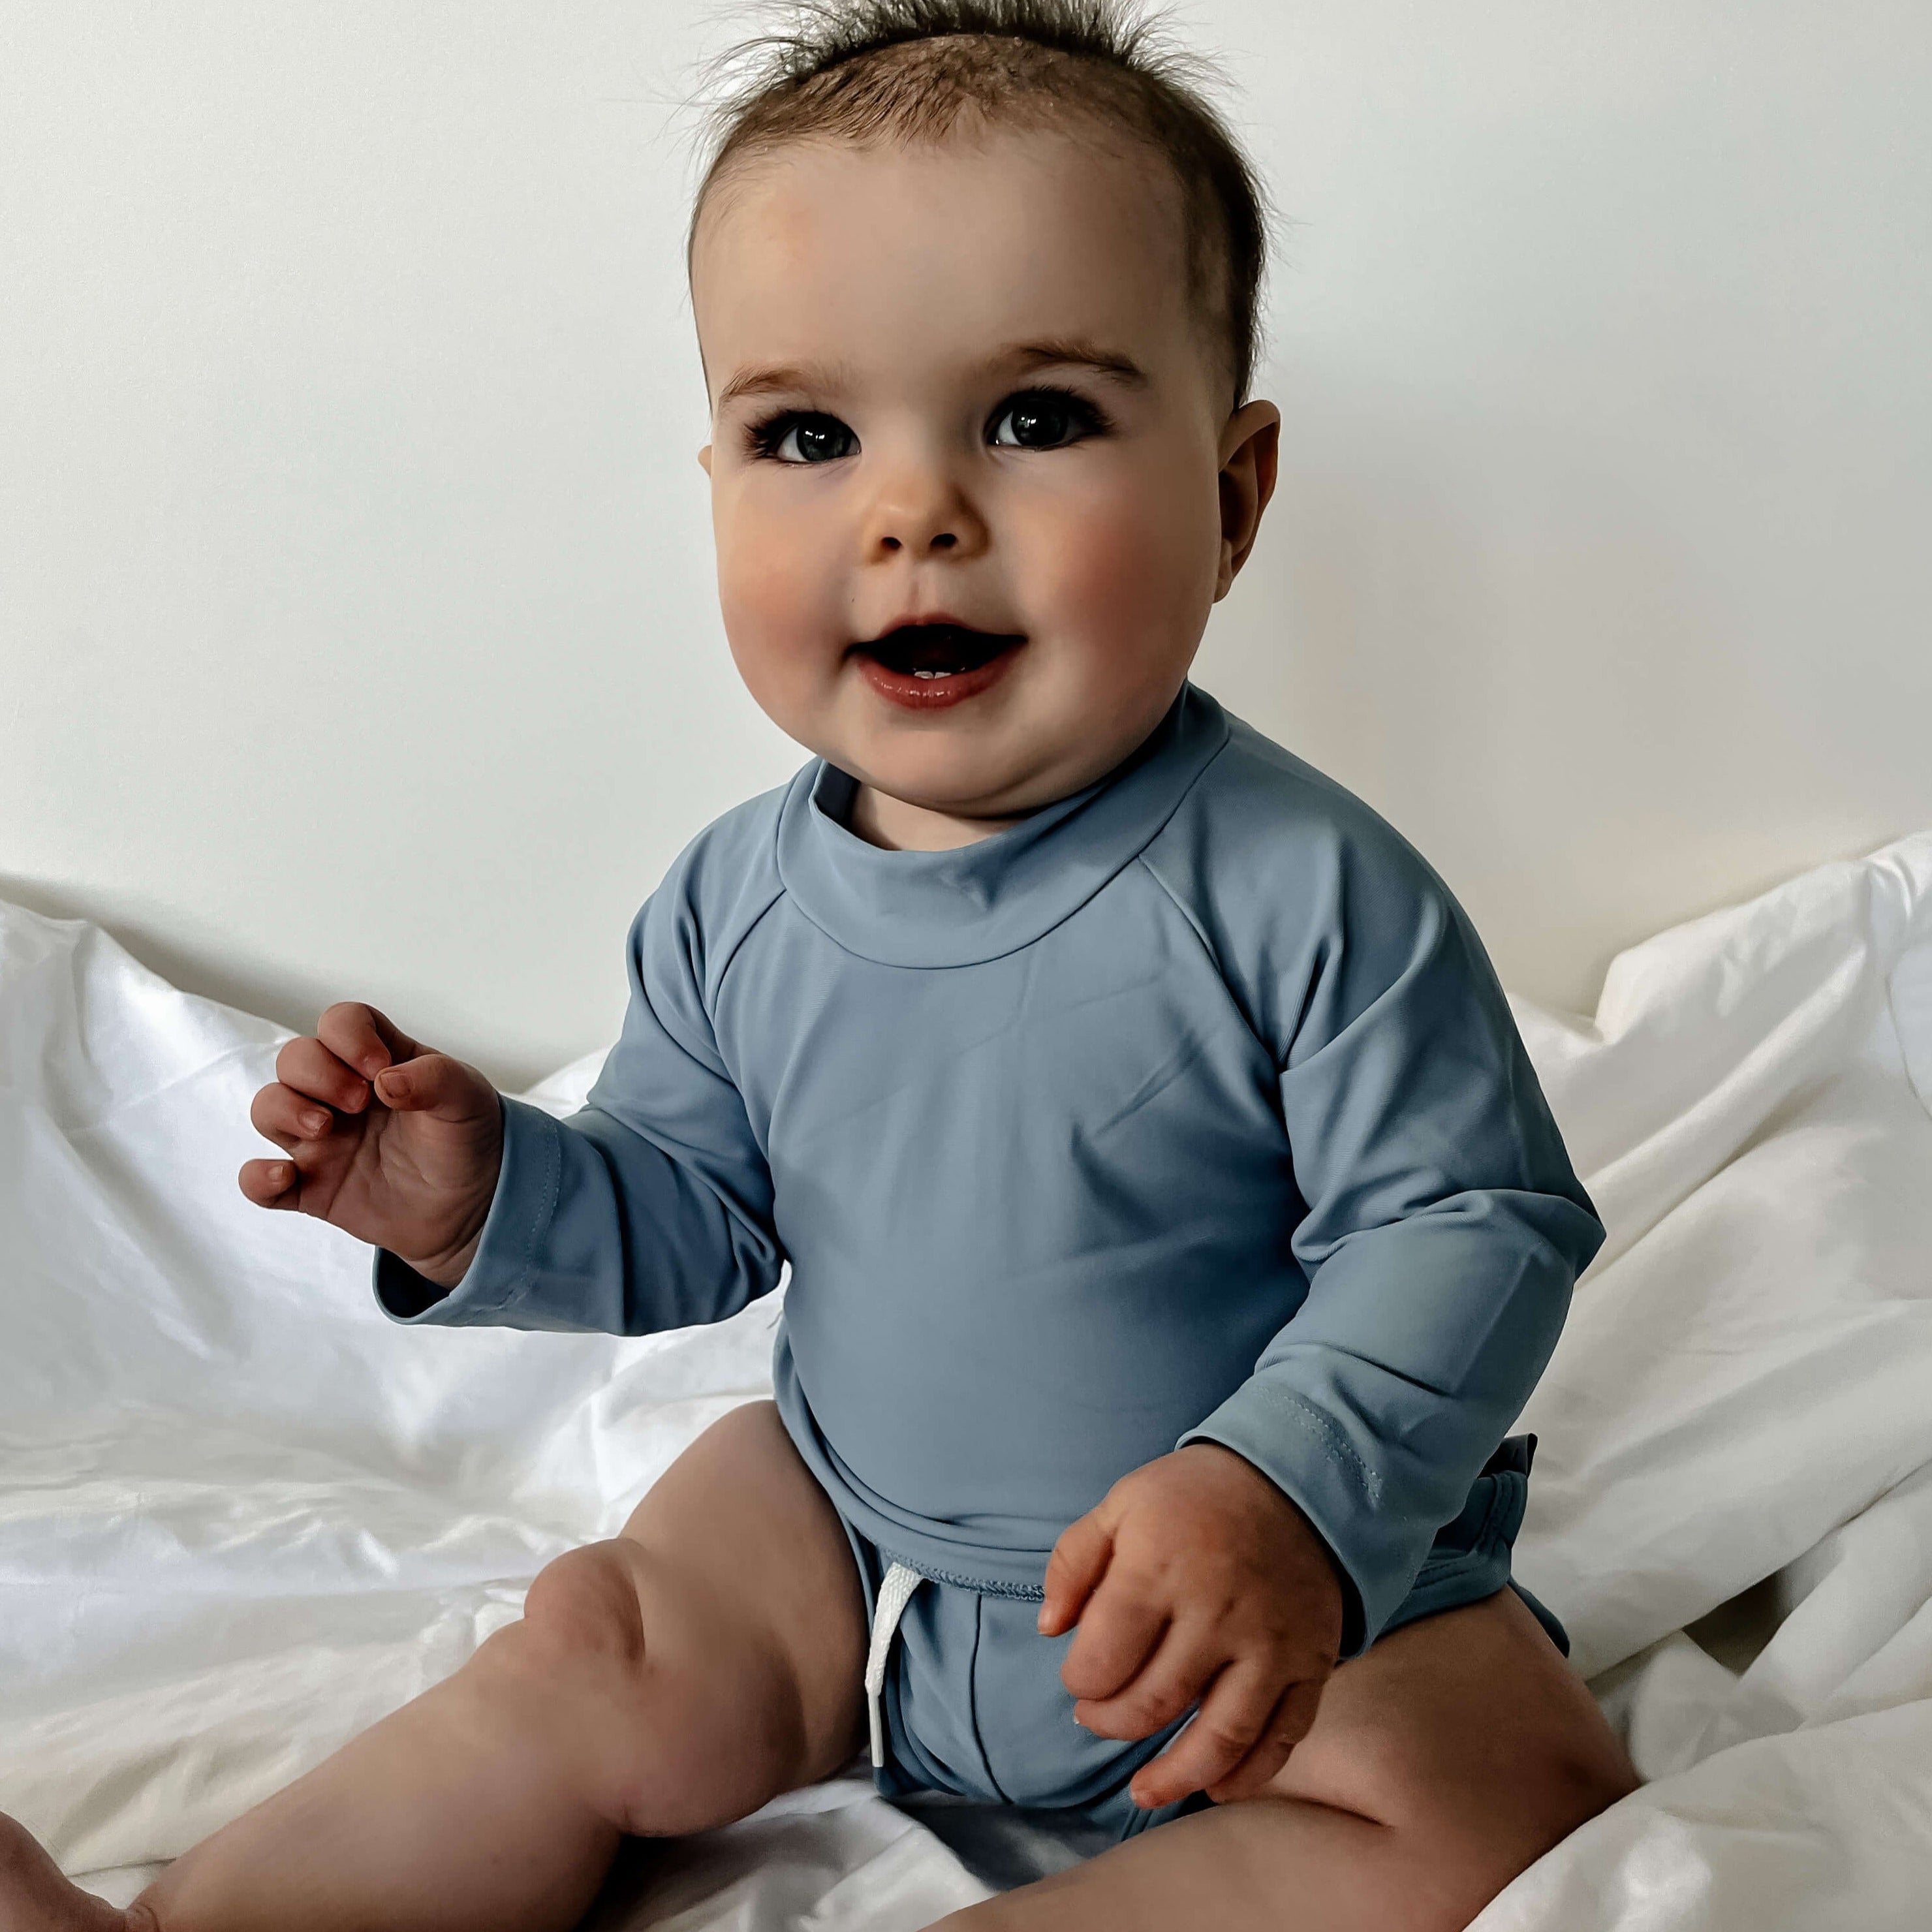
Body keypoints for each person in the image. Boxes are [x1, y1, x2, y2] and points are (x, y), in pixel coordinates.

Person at [0, 3, 1640, 1927]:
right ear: (713, 482)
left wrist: (1282, 1489)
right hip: (858, 1550)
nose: (912, 506)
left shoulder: (1304, 888)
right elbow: (698, 1210)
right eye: (807, 433)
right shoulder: (736, 901)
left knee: (1505, 1797)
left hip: (1255, 1599)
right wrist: (486, 1198)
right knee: (605, 1633)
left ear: (1234, 494)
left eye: (1036, 418)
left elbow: (1471, 1219)